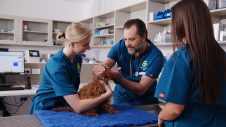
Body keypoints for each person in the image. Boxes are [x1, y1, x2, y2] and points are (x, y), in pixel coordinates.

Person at [154, 0, 226, 127]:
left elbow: (174, 109)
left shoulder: (182, 57)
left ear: (182, 24)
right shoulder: (222, 55)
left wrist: (161, 116)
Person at [30, 23, 113, 114]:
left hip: (63, 106)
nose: (89, 48)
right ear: (72, 44)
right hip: (46, 109)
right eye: (85, 45)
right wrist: (106, 95)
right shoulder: (57, 66)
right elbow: (78, 106)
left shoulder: (77, 58)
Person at [93, 19, 164, 106]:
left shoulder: (156, 56)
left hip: (145, 102)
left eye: (132, 39)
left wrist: (120, 80)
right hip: (121, 98)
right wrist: (98, 69)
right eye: (125, 39)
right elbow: (103, 68)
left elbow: (141, 89)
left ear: (143, 36)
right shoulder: (120, 47)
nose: (127, 44)